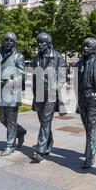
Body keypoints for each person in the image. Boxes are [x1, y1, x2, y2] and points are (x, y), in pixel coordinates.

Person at [0, 32, 27, 157]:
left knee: (11, 120)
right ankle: (19, 131)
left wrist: (11, 81)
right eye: (6, 40)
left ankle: (10, 145)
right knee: (2, 118)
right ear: (2, 41)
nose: (8, 43)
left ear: (14, 43)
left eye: (11, 41)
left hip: (12, 92)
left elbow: (22, 75)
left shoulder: (18, 57)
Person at [31, 32, 67, 162]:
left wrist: (55, 87)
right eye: (38, 42)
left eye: (42, 42)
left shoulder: (57, 57)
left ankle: (41, 150)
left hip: (51, 94)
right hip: (39, 94)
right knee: (43, 121)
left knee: (46, 121)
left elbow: (62, 76)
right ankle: (49, 140)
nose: (40, 45)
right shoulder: (35, 58)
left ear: (49, 43)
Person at [75, 38, 96, 169]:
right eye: (84, 46)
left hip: (94, 99)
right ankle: (90, 148)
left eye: (88, 47)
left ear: (94, 48)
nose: (85, 49)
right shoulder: (79, 63)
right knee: (87, 127)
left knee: (91, 128)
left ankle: (90, 156)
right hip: (82, 98)